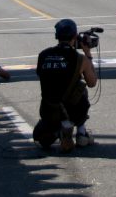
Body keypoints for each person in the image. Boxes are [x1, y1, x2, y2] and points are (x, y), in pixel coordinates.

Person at [33, 19, 97, 152]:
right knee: (81, 87)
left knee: (41, 138)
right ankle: (80, 132)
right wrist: (88, 54)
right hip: (72, 110)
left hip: (48, 109)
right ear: (75, 36)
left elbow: (42, 76)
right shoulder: (80, 58)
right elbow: (92, 83)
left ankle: (58, 130)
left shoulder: (43, 55)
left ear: (57, 36)